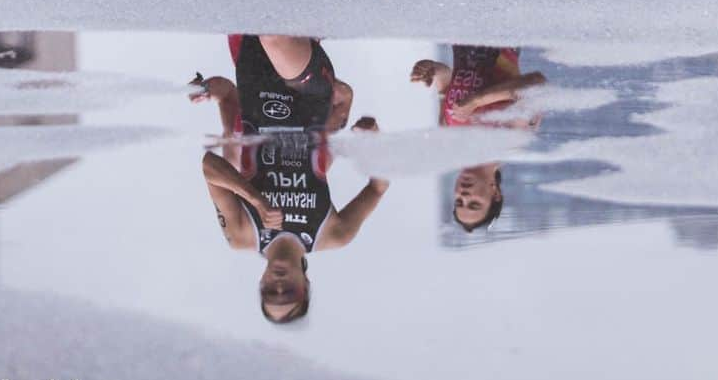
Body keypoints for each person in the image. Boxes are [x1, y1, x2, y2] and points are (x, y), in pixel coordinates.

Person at [190, 35, 388, 323]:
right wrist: (375, 141)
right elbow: (379, 186)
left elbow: (210, 165)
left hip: (257, 90)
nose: (279, 285)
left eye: (270, 292)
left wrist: (255, 199)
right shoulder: (333, 234)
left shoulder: (242, 235)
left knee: (252, 17)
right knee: (271, 35)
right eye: (288, 292)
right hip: (311, 99)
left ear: (261, 284)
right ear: (305, 287)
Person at [411, 45, 545, 233]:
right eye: (474, 203)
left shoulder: (448, 138)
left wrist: (432, 70)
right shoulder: (511, 141)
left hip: (460, 35)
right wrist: (478, 100)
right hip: (499, 36)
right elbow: (536, 84)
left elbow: (447, 79)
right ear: (495, 193)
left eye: (459, 201)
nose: (464, 195)